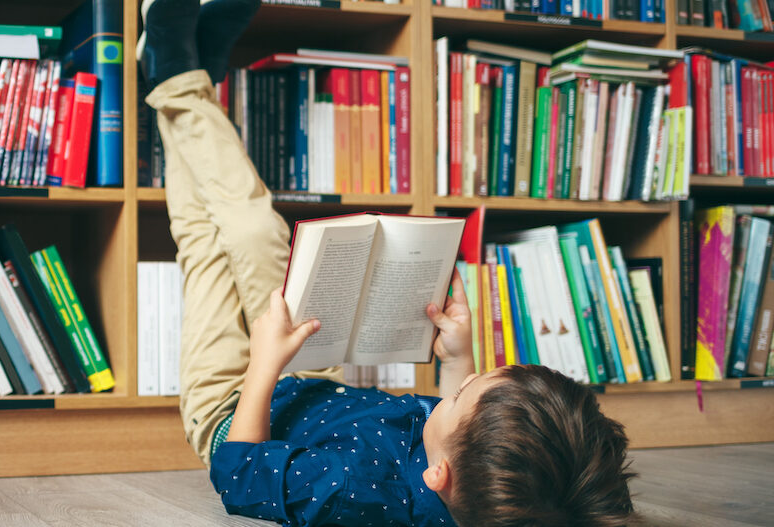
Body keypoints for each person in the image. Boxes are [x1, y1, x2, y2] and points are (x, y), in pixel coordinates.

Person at [140, 1, 636, 525]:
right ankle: (181, 76)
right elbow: (462, 428)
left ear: (438, 475)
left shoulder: (352, 494)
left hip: (230, 406)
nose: (461, 385)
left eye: (461, 392)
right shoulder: (471, 476)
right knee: (251, 228)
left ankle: (180, 76)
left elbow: (240, 475)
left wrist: (263, 367)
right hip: (308, 371)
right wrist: (456, 359)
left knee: (210, 239)